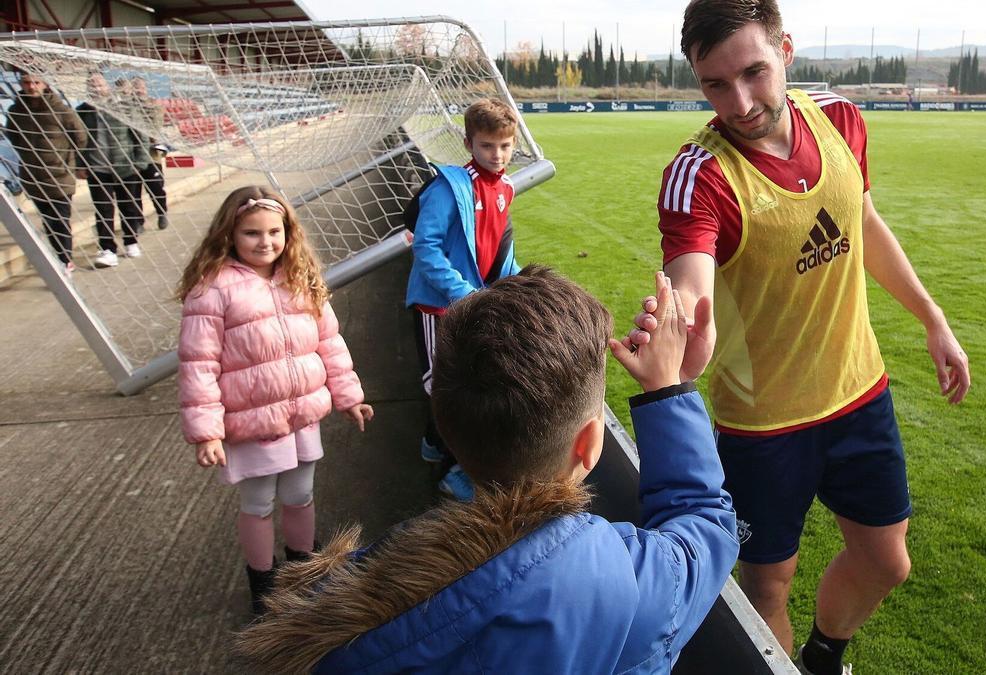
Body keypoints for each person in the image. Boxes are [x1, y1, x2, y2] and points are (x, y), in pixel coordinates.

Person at [640, 1, 972, 672]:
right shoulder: (700, 176)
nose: (739, 102)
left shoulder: (841, 118)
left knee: (887, 559)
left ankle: (825, 655)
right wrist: (687, 343)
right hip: (763, 428)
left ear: (785, 50)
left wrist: (932, 318)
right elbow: (692, 287)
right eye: (715, 84)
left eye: (754, 73)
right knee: (766, 585)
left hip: (858, 391)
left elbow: (864, 224)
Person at [235, 266, 739, 674]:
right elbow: (704, 527)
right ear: (588, 445)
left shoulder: (345, 612)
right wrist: (668, 387)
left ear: (449, 429)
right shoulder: (619, 580)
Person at [176, 185, 375, 615]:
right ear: (229, 235)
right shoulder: (212, 290)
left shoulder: (300, 278)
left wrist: (349, 396)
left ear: (288, 233)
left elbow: (330, 343)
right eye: (252, 233)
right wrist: (208, 432)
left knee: (301, 495)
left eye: (274, 232)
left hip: (302, 415)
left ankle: (304, 567)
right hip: (252, 425)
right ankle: (263, 583)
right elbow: (198, 365)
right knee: (259, 504)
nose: (265, 242)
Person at [404, 97, 522, 501]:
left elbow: (501, 251)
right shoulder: (448, 186)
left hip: (474, 302)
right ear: (470, 143)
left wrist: (519, 286)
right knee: (444, 387)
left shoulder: (506, 187)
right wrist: (461, 291)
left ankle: (437, 448)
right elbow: (426, 247)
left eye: (505, 145)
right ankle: (454, 470)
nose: (498, 154)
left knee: (469, 384)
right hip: (436, 306)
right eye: (488, 146)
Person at [4, 70, 87, 275]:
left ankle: (65, 260)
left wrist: (70, 162)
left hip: (60, 176)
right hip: (33, 177)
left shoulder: (62, 111)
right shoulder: (16, 111)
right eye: (26, 83)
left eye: (36, 82)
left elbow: (81, 138)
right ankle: (60, 256)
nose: (31, 87)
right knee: (48, 220)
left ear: (45, 84)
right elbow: (14, 138)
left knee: (60, 218)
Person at [75, 72, 150, 268]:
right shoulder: (82, 111)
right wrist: (79, 164)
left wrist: (140, 163)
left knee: (128, 206)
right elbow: (76, 141)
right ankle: (108, 249)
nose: (96, 89)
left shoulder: (124, 107)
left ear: (107, 86)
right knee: (103, 209)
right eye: (91, 85)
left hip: (125, 166)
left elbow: (140, 134)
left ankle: (131, 241)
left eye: (99, 85)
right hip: (97, 168)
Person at [129, 76, 169, 228]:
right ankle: (138, 221)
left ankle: (161, 213)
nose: (138, 90)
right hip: (131, 155)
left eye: (141, 87)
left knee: (156, 188)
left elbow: (154, 128)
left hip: (151, 155)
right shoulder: (126, 107)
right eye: (135, 87)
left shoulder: (154, 106)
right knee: (134, 191)